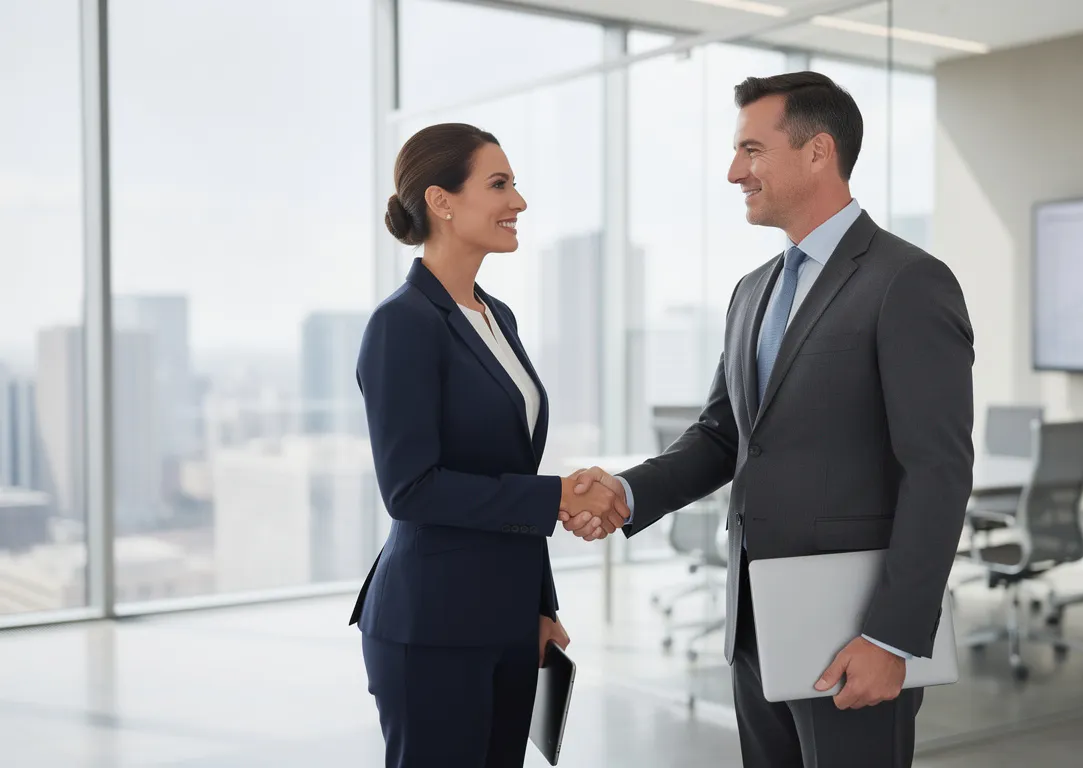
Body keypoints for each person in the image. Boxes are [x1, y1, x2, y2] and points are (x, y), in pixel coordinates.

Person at [567, 72, 975, 767]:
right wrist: (628, 493)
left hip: (856, 634)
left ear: (818, 152)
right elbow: (723, 437)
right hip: (756, 628)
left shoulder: (907, 281)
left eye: (751, 150)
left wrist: (894, 638)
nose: (734, 172)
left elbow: (936, 472)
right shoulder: (752, 292)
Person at [350, 122, 629, 768]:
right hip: (433, 627)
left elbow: (507, 471)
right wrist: (558, 494)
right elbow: (410, 488)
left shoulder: (495, 316)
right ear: (441, 201)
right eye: (498, 184)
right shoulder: (403, 324)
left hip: (505, 623)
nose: (519, 202)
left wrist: (538, 605)